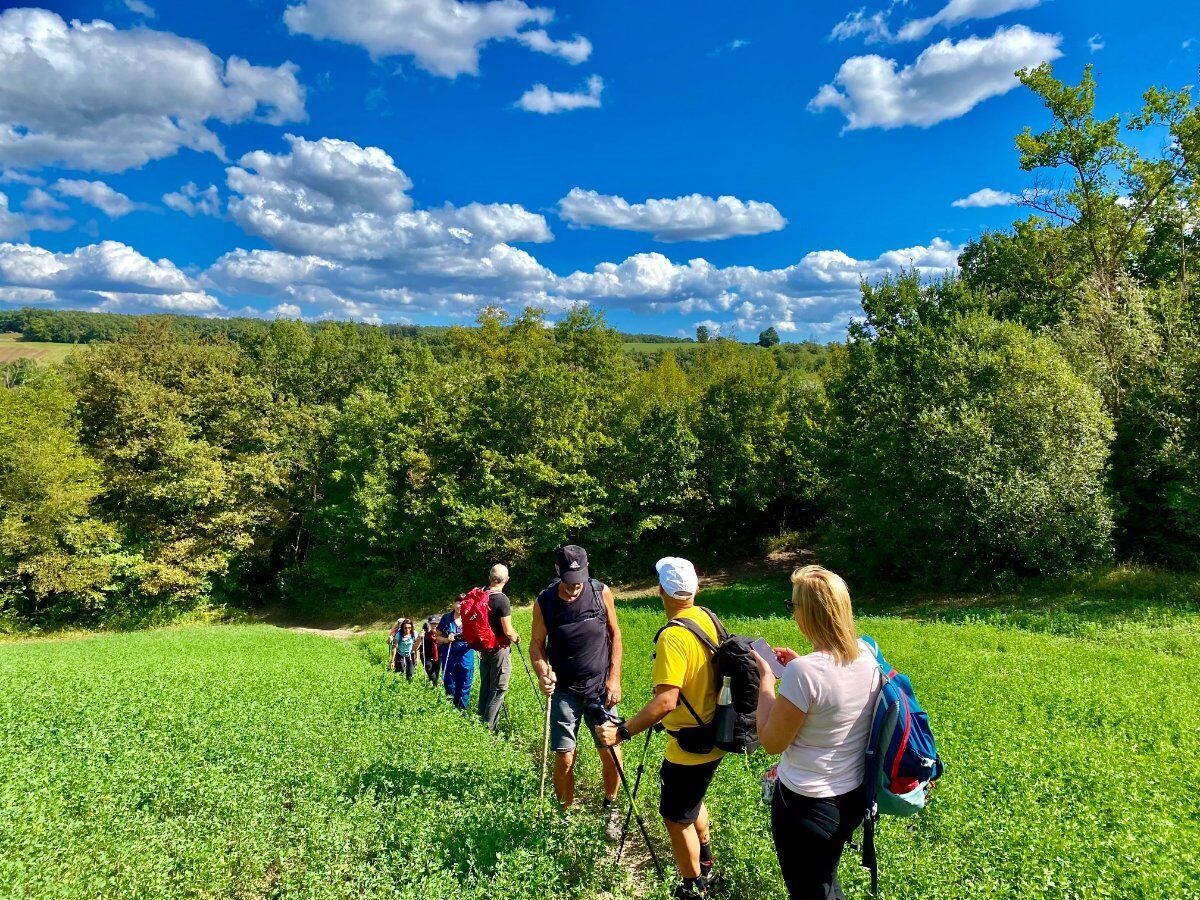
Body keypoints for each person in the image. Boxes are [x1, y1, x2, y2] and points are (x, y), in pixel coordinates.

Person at [596, 557, 724, 900]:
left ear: (660, 592)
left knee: (675, 816)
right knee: (692, 800)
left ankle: (693, 885)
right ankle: (707, 860)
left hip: (689, 745)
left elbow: (666, 702)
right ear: (695, 589)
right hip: (717, 734)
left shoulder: (673, 636)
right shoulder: (708, 618)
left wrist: (622, 731)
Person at [752, 565, 882, 900]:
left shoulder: (803, 672)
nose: (792, 613)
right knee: (823, 879)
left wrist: (766, 684)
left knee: (810, 891)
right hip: (852, 796)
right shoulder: (868, 653)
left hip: (806, 806)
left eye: (793, 605)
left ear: (808, 613)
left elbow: (770, 741)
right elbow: (833, 694)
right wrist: (802, 665)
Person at [530, 544, 625, 839]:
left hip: (600, 689)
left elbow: (615, 634)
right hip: (565, 692)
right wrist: (543, 672)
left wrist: (615, 678)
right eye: (569, 582)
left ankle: (610, 808)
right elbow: (536, 645)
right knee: (565, 757)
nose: (574, 589)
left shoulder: (600, 593)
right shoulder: (544, 602)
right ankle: (564, 816)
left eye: (580, 580)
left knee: (611, 753)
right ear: (558, 572)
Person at [478, 564, 520, 732]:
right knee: (498, 690)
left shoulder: (482, 595)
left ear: (490, 578)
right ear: (507, 580)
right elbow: (508, 631)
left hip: (483, 650)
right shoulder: (501, 599)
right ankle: (488, 732)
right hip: (498, 650)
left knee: (486, 688)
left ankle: (478, 725)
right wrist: (517, 637)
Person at [436, 596, 475, 711]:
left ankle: (462, 711)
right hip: (450, 654)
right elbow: (437, 637)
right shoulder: (446, 618)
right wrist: (447, 640)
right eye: (458, 603)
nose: (460, 606)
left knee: (465, 683)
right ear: (453, 604)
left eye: (463, 603)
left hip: (466, 655)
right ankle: (451, 711)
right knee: (449, 682)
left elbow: (478, 636)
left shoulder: (471, 618)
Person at [421, 618, 440, 686]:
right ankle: (435, 686)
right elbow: (419, 645)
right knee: (432, 674)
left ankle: (432, 688)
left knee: (436, 674)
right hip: (427, 657)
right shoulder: (425, 634)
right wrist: (420, 637)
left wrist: (436, 634)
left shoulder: (441, 634)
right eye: (432, 623)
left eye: (436, 623)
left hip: (437, 657)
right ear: (429, 624)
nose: (434, 625)